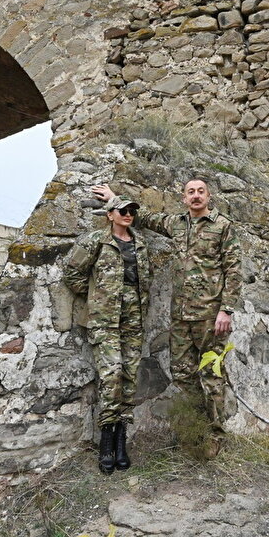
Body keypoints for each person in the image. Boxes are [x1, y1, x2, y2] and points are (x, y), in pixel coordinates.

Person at [91, 178, 242, 455]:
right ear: (184, 198)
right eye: (190, 192)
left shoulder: (223, 226)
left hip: (210, 317)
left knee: (211, 376)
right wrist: (114, 198)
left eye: (200, 192)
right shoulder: (176, 224)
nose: (195, 196)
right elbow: (144, 218)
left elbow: (233, 269)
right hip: (181, 316)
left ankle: (216, 436)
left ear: (208, 196)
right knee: (183, 374)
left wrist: (226, 309)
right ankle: (198, 427)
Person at [62, 196, 151, 474]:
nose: (128, 214)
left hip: (133, 319)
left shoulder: (141, 244)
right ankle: (106, 443)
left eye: (131, 211)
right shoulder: (95, 242)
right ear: (110, 215)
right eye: (122, 211)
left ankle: (122, 441)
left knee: (129, 376)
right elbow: (72, 272)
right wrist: (95, 298)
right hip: (105, 321)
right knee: (111, 375)